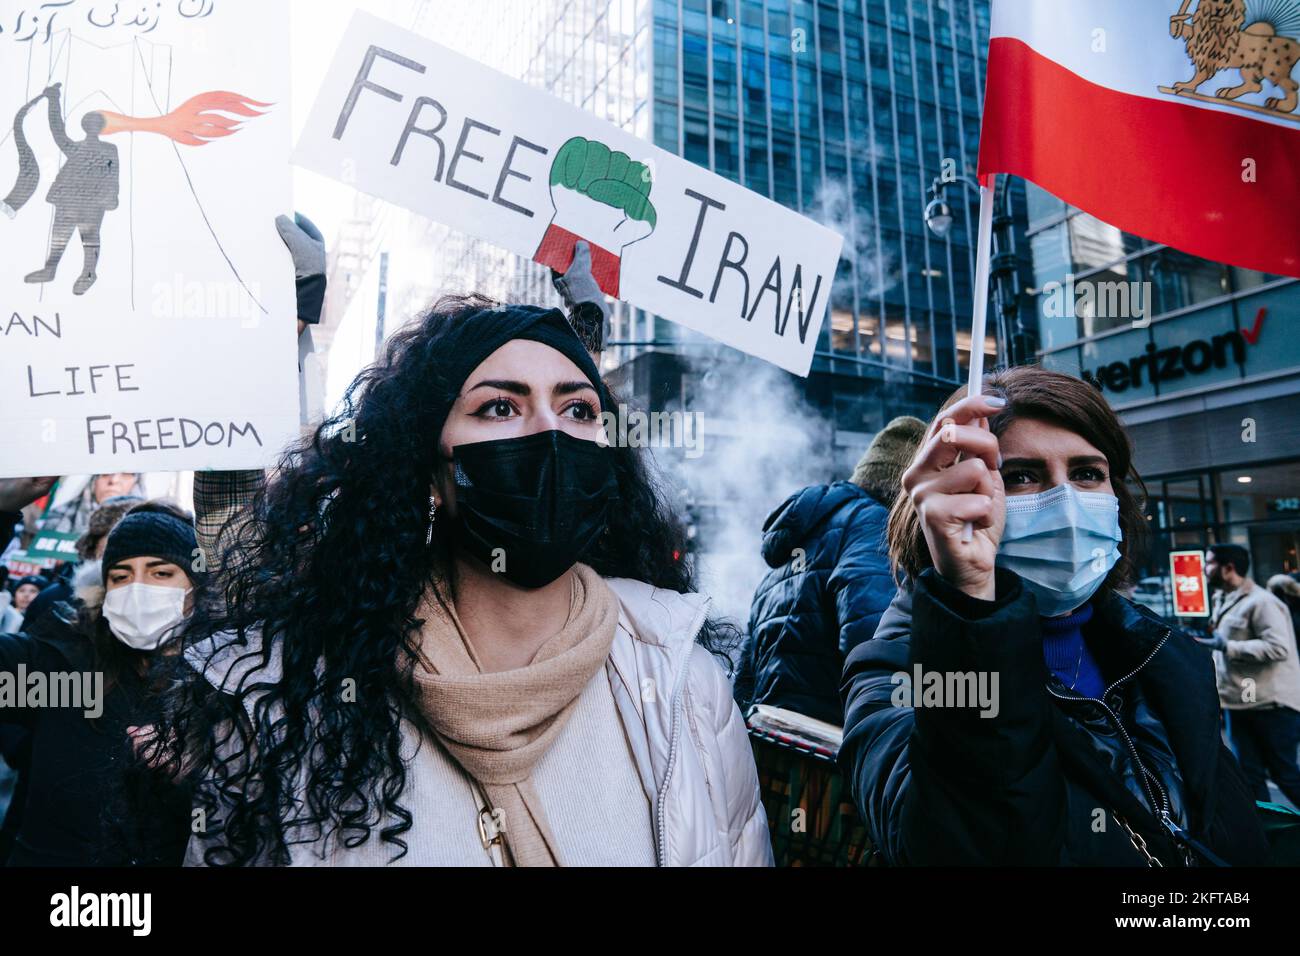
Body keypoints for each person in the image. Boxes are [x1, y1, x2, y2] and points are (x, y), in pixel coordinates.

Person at [144, 295, 770, 867]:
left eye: (578, 408)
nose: (550, 434)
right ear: (425, 469)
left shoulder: (686, 681)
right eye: (500, 407)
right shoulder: (288, 699)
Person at [839, 366, 1268, 866]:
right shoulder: (898, 671)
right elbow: (970, 848)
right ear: (954, 495)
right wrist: (971, 604)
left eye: (1088, 473)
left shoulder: (1165, 659)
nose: (1066, 502)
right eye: (1021, 476)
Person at [0, 502, 196, 865]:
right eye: (120, 576)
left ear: (196, 586)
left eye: (161, 573)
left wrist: (199, 768)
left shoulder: (224, 681)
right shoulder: (62, 664)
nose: (137, 589)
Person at [741, 416, 926, 724]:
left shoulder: (802, 538)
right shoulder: (872, 523)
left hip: (774, 738)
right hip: (829, 742)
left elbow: (746, 671)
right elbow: (872, 641)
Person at [1199, 545, 1300, 808]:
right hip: (1238, 703)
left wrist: (1225, 646)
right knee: (1251, 778)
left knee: (1285, 775)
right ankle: (1270, 838)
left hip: (1271, 705)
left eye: (1209, 563)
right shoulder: (1222, 598)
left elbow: (1278, 647)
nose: (1204, 568)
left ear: (1228, 568)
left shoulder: (1262, 602)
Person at [39, 473, 142, 537]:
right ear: (93, 481)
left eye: (126, 474)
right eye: (105, 473)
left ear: (136, 483)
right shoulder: (58, 516)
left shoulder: (146, 526)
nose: (113, 480)